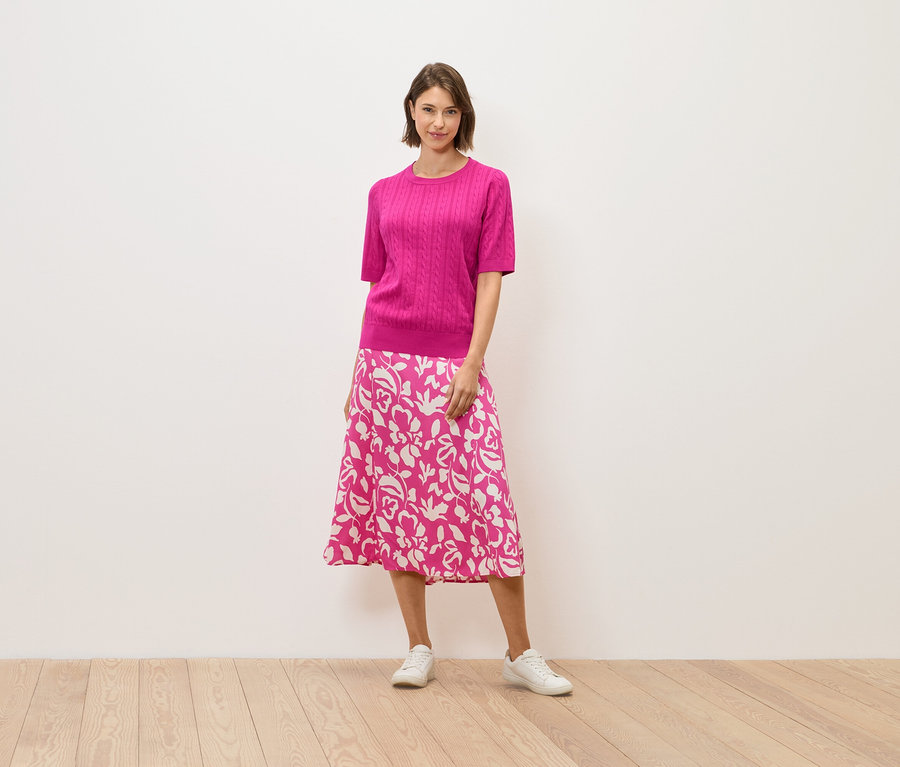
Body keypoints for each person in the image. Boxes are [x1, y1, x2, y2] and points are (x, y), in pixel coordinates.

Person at [322, 62, 572, 696]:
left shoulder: (490, 185)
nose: (438, 122)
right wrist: (359, 368)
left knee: (487, 499)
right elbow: (379, 285)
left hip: (453, 363)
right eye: (428, 109)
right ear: (411, 112)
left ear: (463, 118)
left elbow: (490, 279)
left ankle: (520, 652)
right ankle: (418, 647)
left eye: (450, 111)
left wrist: (472, 360)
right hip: (385, 360)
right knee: (399, 504)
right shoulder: (383, 192)